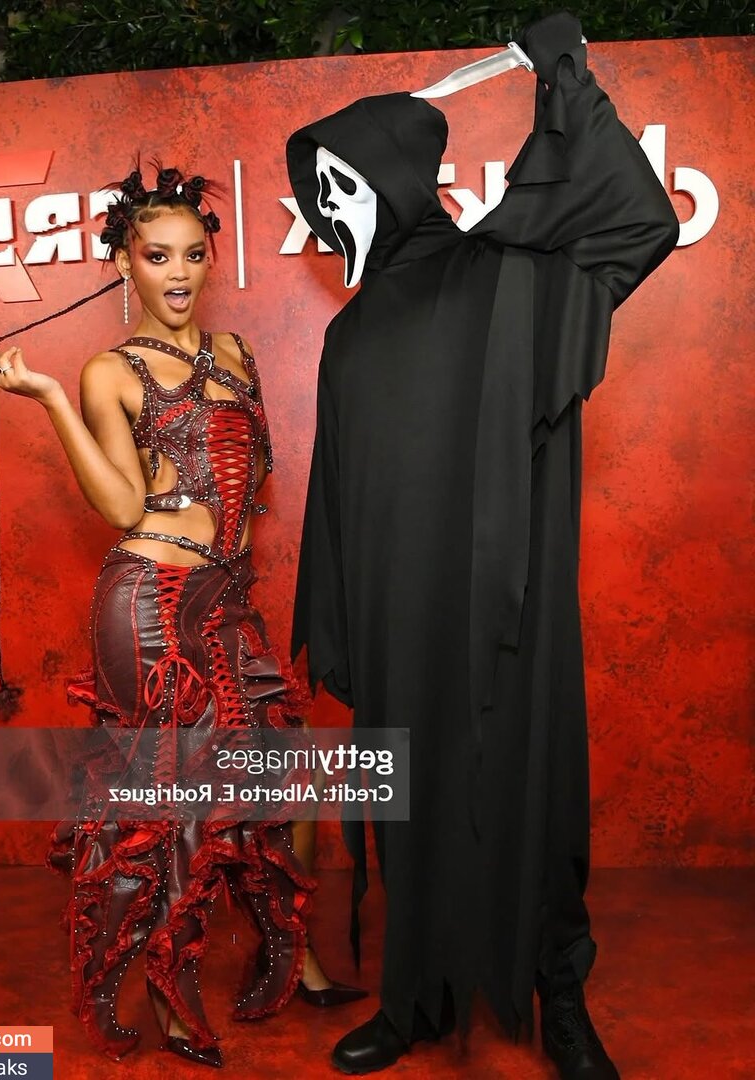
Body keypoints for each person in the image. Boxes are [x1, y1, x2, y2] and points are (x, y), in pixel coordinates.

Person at [286, 14, 679, 1079]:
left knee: (525, 788)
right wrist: (341, 624)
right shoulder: (348, 335)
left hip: (506, 605)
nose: (329, 211)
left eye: (345, 185)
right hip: (398, 617)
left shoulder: (505, 274)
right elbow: (338, 488)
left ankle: (559, 994)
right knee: (408, 799)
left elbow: (633, 220)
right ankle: (415, 995)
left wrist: (564, 78)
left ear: (399, 179)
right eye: (317, 194)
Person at [0, 161, 363, 1067]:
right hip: (148, 600)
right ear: (125, 264)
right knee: (166, 805)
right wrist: (52, 401)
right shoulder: (109, 370)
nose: (179, 273)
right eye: (157, 256)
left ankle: (291, 953)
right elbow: (122, 505)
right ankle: (164, 989)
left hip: (225, 598)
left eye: (193, 254)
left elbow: (249, 485)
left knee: (283, 778)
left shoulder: (235, 355)